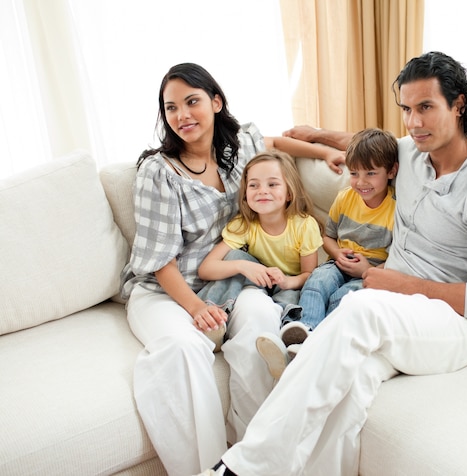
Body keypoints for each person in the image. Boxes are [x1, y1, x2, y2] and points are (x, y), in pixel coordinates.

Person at [197, 51, 467, 476]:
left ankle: (238, 468)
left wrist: (398, 283)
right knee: (345, 389)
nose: (413, 123)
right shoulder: (409, 156)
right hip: (393, 309)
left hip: (453, 325)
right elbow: (362, 141)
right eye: (406, 110)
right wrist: (317, 135)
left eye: (426, 107)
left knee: (358, 308)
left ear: (459, 104)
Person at [120, 62, 345, 476]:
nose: (182, 115)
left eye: (192, 102)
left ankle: (257, 460)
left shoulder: (237, 146)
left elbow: (274, 143)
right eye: (171, 108)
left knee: (263, 322)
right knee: (186, 349)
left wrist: (326, 150)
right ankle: (205, 469)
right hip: (166, 289)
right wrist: (193, 309)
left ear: (216, 102)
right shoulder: (159, 171)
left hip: (233, 277)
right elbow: (160, 261)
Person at [265, 128, 399, 375]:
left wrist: (367, 269)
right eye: (355, 173)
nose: (361, 182)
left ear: (391, 171)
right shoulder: (345, 198)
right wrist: (336, 254)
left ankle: (321, 346)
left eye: (371, 173)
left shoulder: (395, 209)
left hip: (371, 272)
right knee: (317, 282)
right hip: (338, 261)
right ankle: (303, 332)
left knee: (346, 297)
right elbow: (327, 237)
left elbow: (398, 259)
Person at [197, 150, 323, 378]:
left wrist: (287, 281)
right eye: (253, 185)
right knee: (235, 258)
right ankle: (217, 319)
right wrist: (244, 267)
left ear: (289, 193)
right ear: (245, 195)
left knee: (294, 304)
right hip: (256, 282)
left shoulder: (304, 225)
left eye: (273, 184)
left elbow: (309, 275)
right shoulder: (244, 225)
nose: (262, 191)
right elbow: (206, 269)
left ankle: (285, 347)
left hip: (287, 287)